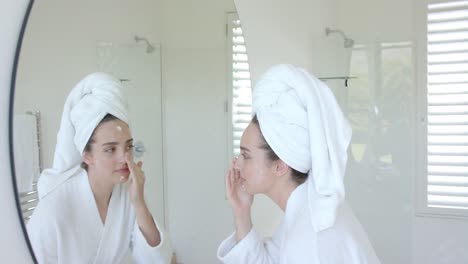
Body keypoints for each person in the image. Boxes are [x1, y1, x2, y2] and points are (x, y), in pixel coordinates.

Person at [217, 64, 381, 263]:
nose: (237, 165)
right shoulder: (307, 211)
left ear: (280, 165)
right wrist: (242, 211)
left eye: (246, 156)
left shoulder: (314, 236)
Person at [27, 73, 172, 263]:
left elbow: (158, 259)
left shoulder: (126, 195)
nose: (124, 157)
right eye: (110, 149)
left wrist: (139, 202)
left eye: (128, 146)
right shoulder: (53, 209)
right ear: (87, 156)